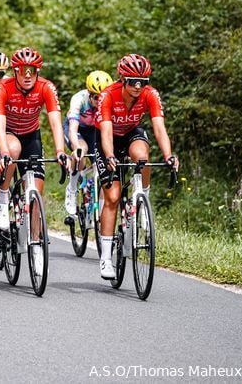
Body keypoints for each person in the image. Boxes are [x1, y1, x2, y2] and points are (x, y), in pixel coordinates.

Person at [96, 54, 178, 279]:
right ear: (122, 79)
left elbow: (159, 128)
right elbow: (105, 131)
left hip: (132, 132)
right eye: (132, 81)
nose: (137, 86)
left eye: (142, 81)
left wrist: (169, 155)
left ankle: (142, 198)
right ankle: (105, 258)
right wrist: (110, 155)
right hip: (108, 137)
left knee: (142, 156)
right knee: (112, 197)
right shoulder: (108, 95)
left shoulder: (150, 95)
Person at [0, 47, 68, 275]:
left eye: (32, 71)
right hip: (8, 134)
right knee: (12, 150)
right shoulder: (3, 87)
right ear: (15, 71)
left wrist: (61, 150)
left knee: (36, 191)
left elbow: (55, 122)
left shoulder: (46, 87)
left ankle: (36, 243)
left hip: (31, 136)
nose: (27, 75)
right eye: (22, 70)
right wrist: (3, 152)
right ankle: (3, 199)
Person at [63, 70, 113, 215]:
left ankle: (102, 210)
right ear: (89, 94)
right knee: (81, 151)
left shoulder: (109, 102)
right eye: (96, 98)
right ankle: (72, 189)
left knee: (103, 163)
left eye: (103, 98)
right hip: (77, 130)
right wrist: (77, 148)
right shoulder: (79, 99)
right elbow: (72, 129)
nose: (100, 102)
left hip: (95, 131)